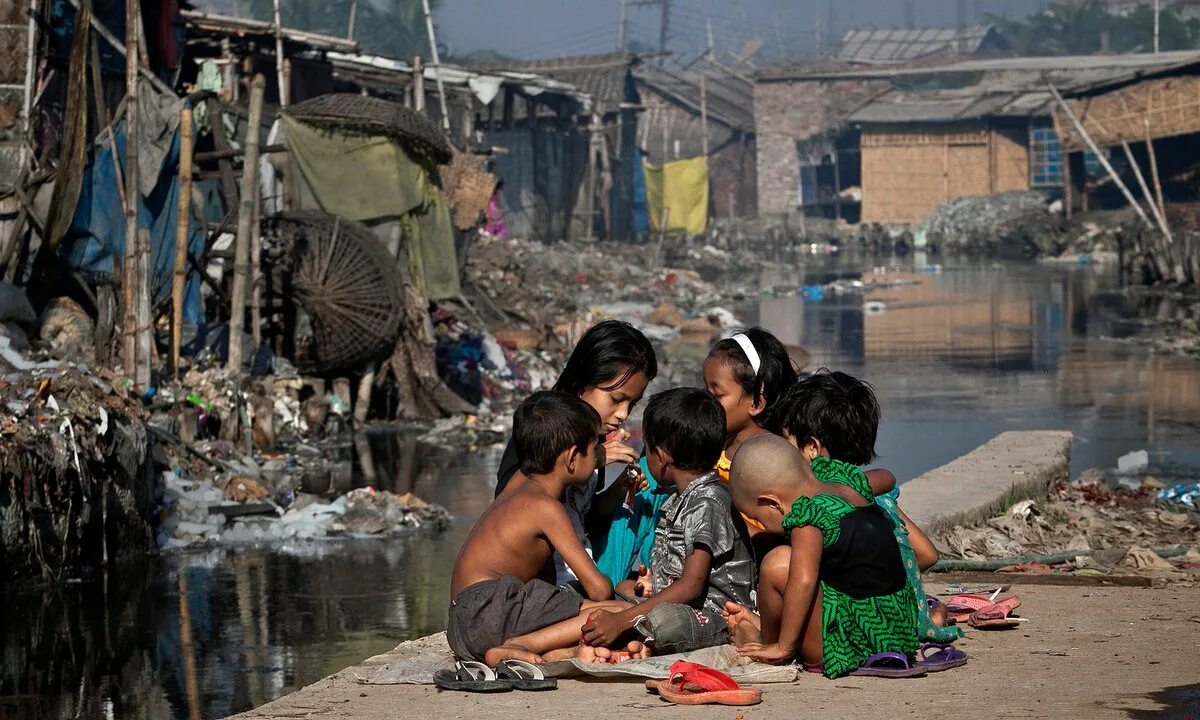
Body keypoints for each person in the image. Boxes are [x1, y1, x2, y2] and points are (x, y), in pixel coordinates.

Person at [768, 369, 958, 641]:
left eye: (786, 441)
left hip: (858, 631)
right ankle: (925, 618)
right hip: (901, 620)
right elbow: (927, 554)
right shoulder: (877, 498)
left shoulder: (817, 508)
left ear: (811, 447)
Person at [448, 391, 629, 666]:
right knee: (623, 612)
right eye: (594, 451)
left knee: (605, 612)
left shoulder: (520, 482)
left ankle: (550, 653)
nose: (597, 459)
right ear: (571, 458)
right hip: (491, 613)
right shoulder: (546, 507)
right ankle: (521, 645)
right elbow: (599, 590)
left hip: (462, 622)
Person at [726, 434, 919, 678]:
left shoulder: (808, 515)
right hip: (897, 629)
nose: (762, 524)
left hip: (848, 645)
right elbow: (888, 478)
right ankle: (763, 625)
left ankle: (767, 641)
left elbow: (804, 581)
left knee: (778, 564)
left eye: (759, 518)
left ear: (772, 503)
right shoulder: (845, 481)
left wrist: (784, 647)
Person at [582, 388, 754, 655]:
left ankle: (629, 637)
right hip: (680, 602)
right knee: (623, 588)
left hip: (714, 615)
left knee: (664, 622)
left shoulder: (707, 501)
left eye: (647, 449)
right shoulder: (678, 497)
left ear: (662, 456)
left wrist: (621, 621)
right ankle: (631, 638)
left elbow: (691, 585)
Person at [494, 319, 657, 587]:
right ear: (582, 383)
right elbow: (513, 501)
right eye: (615, 400)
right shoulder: (544, 425)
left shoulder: (602, 434)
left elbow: (591, 516)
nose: (623, 414)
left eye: (633, 403)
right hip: (539, 576)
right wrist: (596, 458)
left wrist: (621, 482)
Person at [703, 328, 798, 483]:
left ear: (756, 403)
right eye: (706, 389)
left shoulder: (775, 462)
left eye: (718, 394)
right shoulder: (710, 446)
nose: (705, 399)